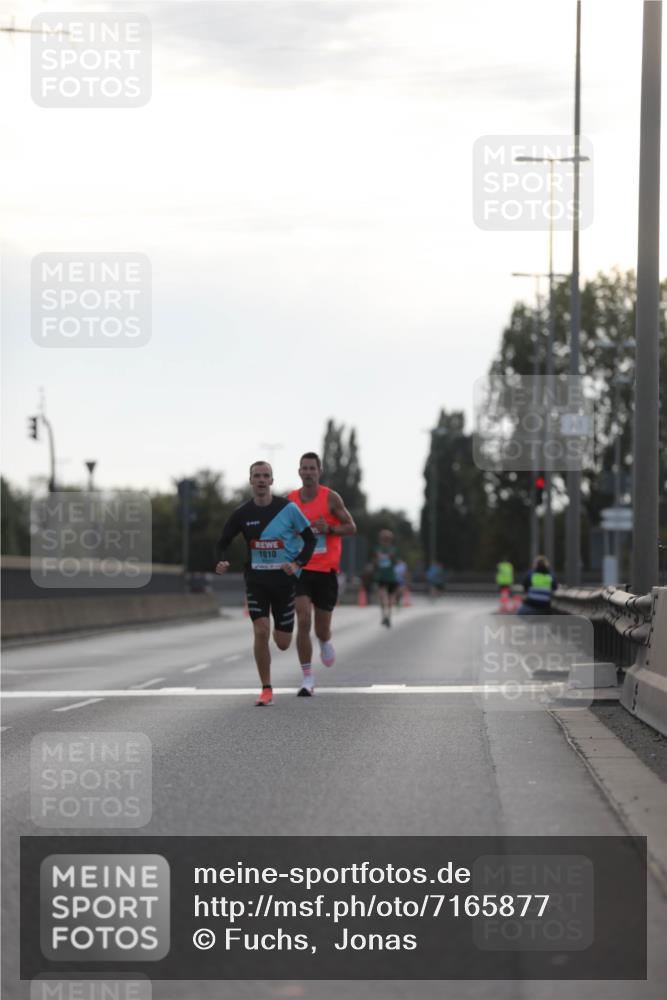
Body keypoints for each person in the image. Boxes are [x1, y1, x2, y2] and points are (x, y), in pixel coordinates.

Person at [215, 461, 315, 706]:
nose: (261, 480)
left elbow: (310, 540)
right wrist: (221, 560)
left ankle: (279, 631)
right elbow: (222, 541)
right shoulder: (242, 513)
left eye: (265, 476)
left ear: (272, 481)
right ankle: (266, 688)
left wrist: (298, 564)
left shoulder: (288, 509)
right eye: (256, 476)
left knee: (282, 643)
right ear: (251, 481)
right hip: (256, 580)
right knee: (260, 630)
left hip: (283, 582)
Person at [288, 452, 357, 696]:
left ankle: (325, 641)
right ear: (299, 472)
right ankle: (307, 678)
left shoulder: (331, 498)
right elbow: (282, 530)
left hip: (326, 570)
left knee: (321, 629)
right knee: (303, 618)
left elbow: (351, 527)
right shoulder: (291, 501)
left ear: (319, 472)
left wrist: (329, 528)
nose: (308, 473)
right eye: (304, 468)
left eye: (312, 469)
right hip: (302, 569)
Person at [373, 529, 399, 627]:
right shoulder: (392, 549)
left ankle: (385, 615)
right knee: (388, 598)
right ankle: (387, 616)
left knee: (383, 597)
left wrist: (381, 558)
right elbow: (395, 561)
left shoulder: (379, 549)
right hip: (389, 577)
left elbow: (376, 561)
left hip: (385, 576)